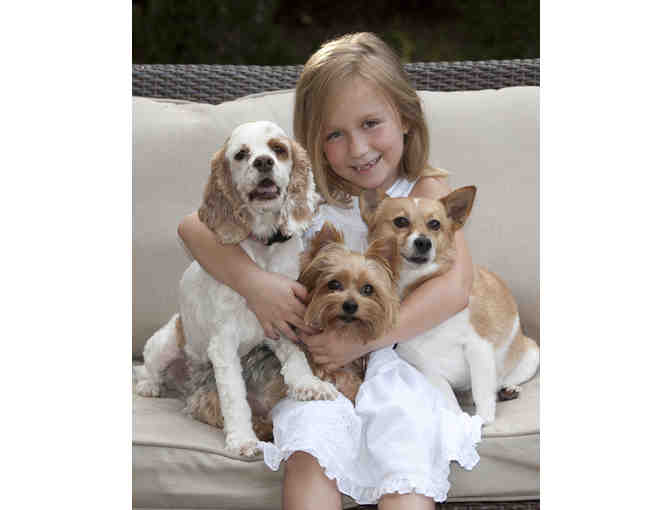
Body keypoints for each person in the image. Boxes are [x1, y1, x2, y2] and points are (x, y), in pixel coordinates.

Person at [178, 32, 482, 510]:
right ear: (313, 141)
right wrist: (255, 284)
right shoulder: (306, 195)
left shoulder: (424, 192)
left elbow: (456, 288)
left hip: (398, 364)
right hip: (316, 365)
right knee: (310, 445)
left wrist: (363, 342)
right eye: (334, 134)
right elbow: (192, 228)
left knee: (405, 446)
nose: (358, 148)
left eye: (371, 124)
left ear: (405, 117)